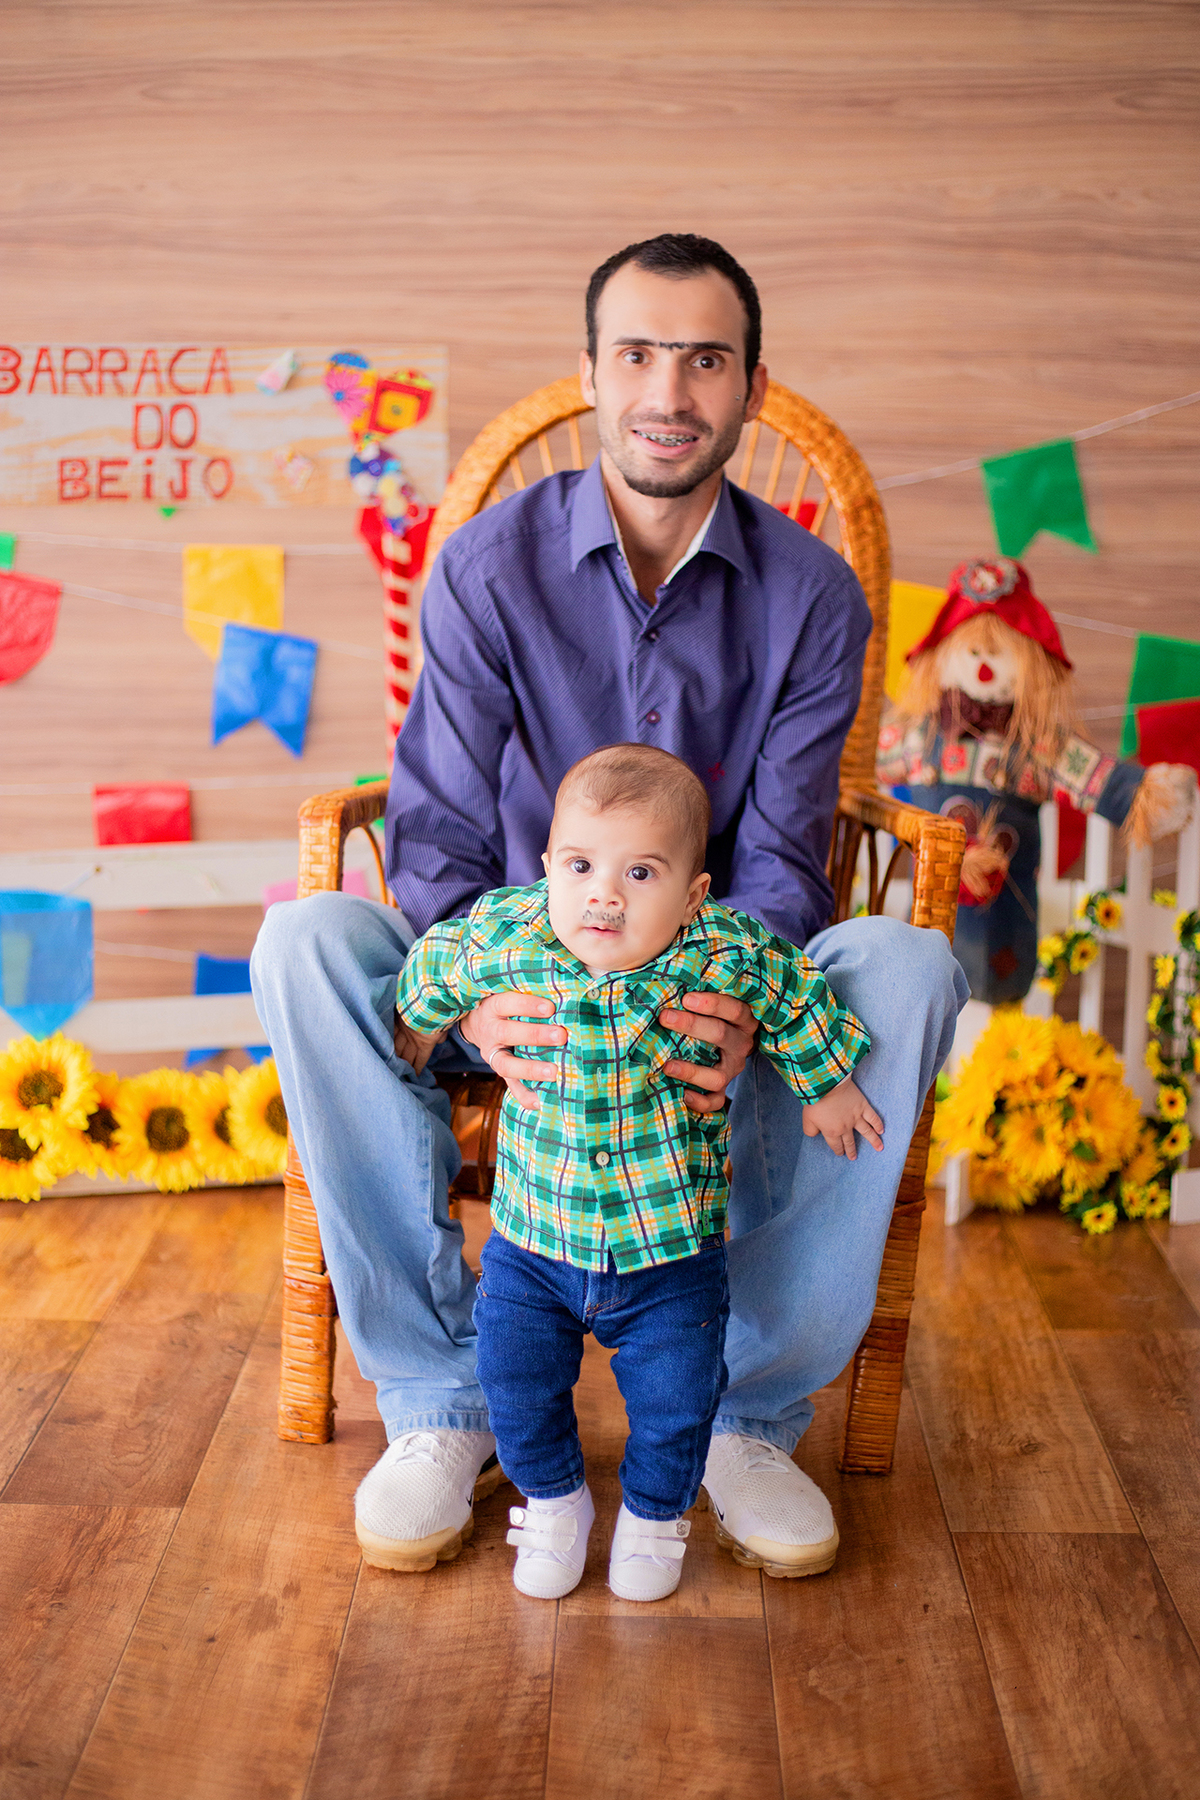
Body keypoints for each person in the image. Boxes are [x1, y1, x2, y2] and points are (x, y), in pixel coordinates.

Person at [252, 230, 966, 1584]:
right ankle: (443, 1397)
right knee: (307, 939)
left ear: (753, 386)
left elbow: (790, 852)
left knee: (910, 963)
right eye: (638, 353)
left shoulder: (812, 593)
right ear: (588, 374)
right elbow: (443, 828)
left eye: (706, 359)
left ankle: (747, 1416)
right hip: (510, 972)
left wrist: (721, 998)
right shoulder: (484, 566)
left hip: (714, 992)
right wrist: (488, 996)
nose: (669, 389)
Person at [392, 745, 879, 1601]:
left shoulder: (719, 948)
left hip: (670, 1255)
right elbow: (443, 957)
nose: (603, 894)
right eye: (579, 865)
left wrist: (826, 1082)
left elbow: (794, 991)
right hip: (534, 1244)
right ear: (547, 868)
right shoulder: (513, 930)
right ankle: (553, 1503)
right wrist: (420, 1023)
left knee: (677, 1398)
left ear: (693, 893)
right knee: (515, 1380)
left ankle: (656, 1517)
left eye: (641, 872)